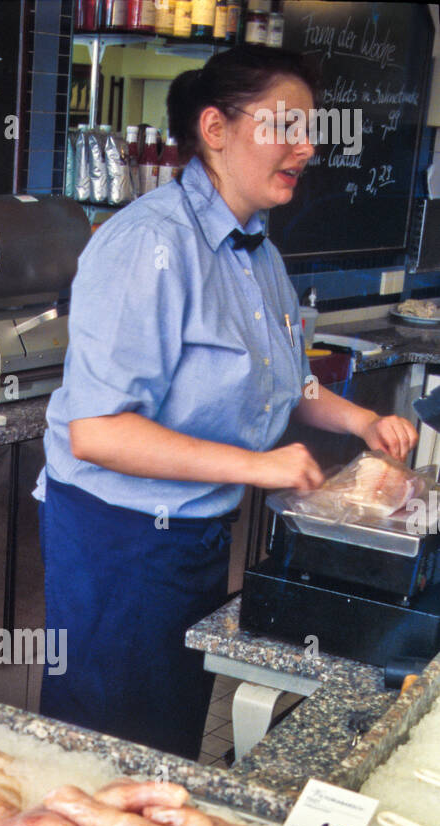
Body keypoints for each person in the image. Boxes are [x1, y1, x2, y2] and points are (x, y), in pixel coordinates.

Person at [38, 44, 418, 761]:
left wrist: (359, 419)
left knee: (169, 736)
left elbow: (278, 380)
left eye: (310, 130)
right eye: (285, 127)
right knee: (108, 745)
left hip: (194, 534)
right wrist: (256, 465)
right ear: (214, 128)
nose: (306, 148)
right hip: (118, 541)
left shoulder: (257, 254)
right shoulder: (149, 244)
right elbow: (96, 432)